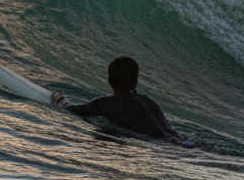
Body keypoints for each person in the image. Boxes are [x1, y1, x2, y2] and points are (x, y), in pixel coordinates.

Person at [50, 56, 185, 143]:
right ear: (136, 81)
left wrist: (59, 101)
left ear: (109, 79)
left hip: (165, 143)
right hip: (178, 140)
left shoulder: (106, 103)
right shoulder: (149, 101)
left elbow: (72, 110)